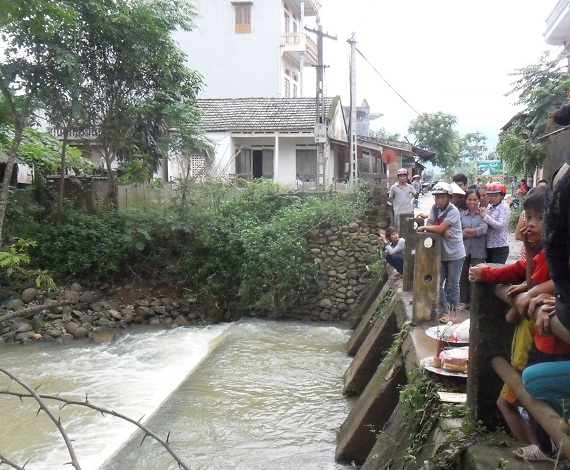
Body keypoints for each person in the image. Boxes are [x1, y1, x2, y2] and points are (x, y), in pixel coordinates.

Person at [470, 188, 570, 461]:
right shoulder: (545, 251)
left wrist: (529, 294)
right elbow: (535, 277)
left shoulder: (555, 251)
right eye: (528, 216)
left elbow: (548, 281)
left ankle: (546, 449)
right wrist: (529, 286)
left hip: (543, 345)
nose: (532, 223)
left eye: (540, 217)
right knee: (532, 400)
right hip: (538, 342)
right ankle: (546, 447)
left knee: (532, 396)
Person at [522, 103, 570, 427]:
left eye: (540, 218)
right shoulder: (563, 174)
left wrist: (537, 291)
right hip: (562, 308)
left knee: (532, 380)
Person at [416, 182, 465, 320]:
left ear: (448, 197)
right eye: (437, 197)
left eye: (442, 197)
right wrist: (439, 228)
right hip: (441, 254)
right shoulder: (434, 208)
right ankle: (443, 309)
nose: (439, 200)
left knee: (452, 284)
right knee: (437, 282)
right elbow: (431, 224)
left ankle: (453, 312)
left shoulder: (453, 211)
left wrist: (433, 229)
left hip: (455, 253)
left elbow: (436, 228)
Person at [459, 189, 487, 308]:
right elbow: (458, 232)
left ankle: (477, 302)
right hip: (463, 250)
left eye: (475, 199)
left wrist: (469, 231)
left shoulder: (483, 214)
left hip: (479, 250)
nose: (472, 202)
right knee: (463, 276)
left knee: (477, 276)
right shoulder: (461, 215)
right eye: (470, 199)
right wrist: (475, 232)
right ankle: (465, 302)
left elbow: (484, 230)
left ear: (479, 200)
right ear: (466, 201)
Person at [481, 181, 511, 263]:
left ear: (502, 196)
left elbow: (500, 226)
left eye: (496, 196)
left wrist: (485, 216)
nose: (492, 198)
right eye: (490, 196)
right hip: (489, 246)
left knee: (496, 273)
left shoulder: (504, 208)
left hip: (500, 247)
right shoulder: (490, 207)